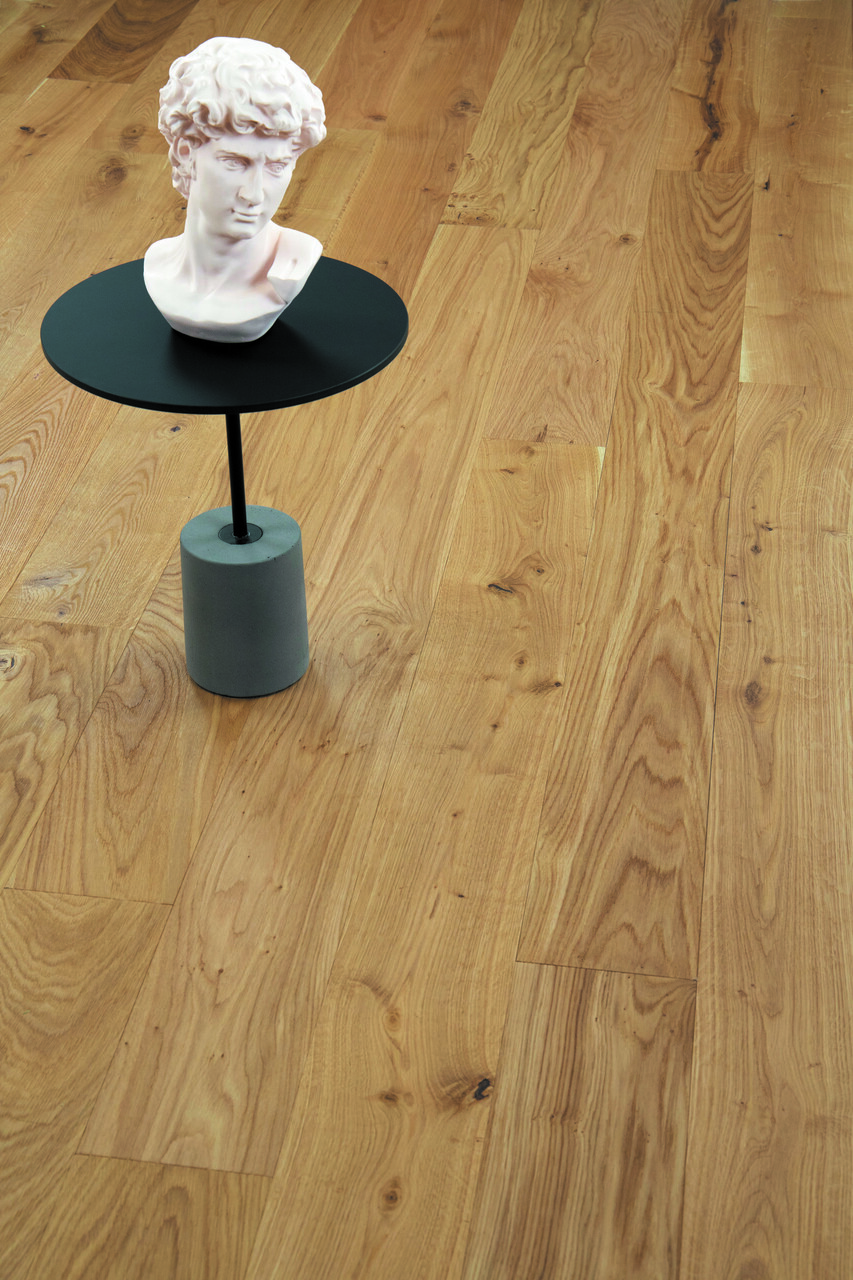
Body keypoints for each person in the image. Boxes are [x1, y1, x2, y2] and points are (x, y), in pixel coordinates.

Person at [144, 36, 326, 342]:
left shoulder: (291, 265)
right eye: (235, 163)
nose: (254, 195)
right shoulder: (157, 264)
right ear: (186, 154)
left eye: (277, 166)